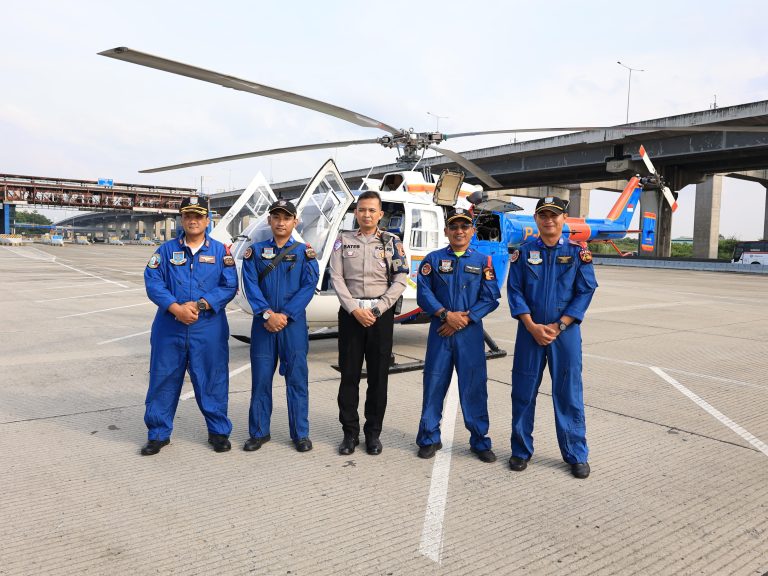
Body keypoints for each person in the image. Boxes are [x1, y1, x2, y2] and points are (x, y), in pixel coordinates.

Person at [506, 196, 598, 478]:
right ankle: (520, 450)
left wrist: (559, 325)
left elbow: (585, 290)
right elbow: (514, 291)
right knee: (523, 392)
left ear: (564, 219)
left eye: (554, 215)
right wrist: (531, 325)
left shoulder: (578, 252)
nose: (548, 220)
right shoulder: (522, 253)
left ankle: (576, 454)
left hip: (565, 333)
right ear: (536, 219)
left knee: (568, 393)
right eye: (543, 215)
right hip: (529, 332)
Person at [141, 195, 238, 456]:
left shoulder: (221, 252)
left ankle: (218, 432)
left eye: (198, 216)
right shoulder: (165, 251)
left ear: (208, 220)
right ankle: (158, 434)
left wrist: (201, 305)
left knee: (213, 379)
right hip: (169, 326)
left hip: (208, 328)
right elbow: (153, 282)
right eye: (188, 216)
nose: (193, 221)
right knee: (163, 378)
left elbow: (229, 285)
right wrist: (176, 308)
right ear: (181, 220)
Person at [415, 208, 500, 463]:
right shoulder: (432, 260)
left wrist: (464, 319)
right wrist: (445, 315)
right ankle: (429, 437)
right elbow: (423, 293)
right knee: (433, 385)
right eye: (454, 227)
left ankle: (480, 441)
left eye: (464, 226)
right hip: (440, 332)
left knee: (474, 387)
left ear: (472, 231)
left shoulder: (483, 261)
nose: (459, 231)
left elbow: (491, 297)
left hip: (470, 334)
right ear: (446, 231)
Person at [329, 191, 409, 456]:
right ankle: (349, 433)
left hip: (380, 316)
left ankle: (373, 434)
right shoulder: (343, 240)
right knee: (349, 376)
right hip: (351, 315)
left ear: (380, 214)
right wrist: (354, 309)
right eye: (362, 209)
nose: (366, 214)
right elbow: (336, 277)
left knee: (378, 378)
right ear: (356, 212)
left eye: (372, 210)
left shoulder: (391, 242)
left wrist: (378, 309)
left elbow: (400, 278)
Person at [240, 200, 319, 453]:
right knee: (261, 380)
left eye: (286, 218)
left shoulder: (305, 253)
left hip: (292, 325)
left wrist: (284, 315)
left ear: (295, 221)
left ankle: (300, 434)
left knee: (297, 380)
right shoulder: (255, 252)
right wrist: (267, 314)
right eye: (276, 217)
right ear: (269, 221)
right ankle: (259, 432)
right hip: (263, 325)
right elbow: (250, 285)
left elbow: (309, 285)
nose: (281, 222)